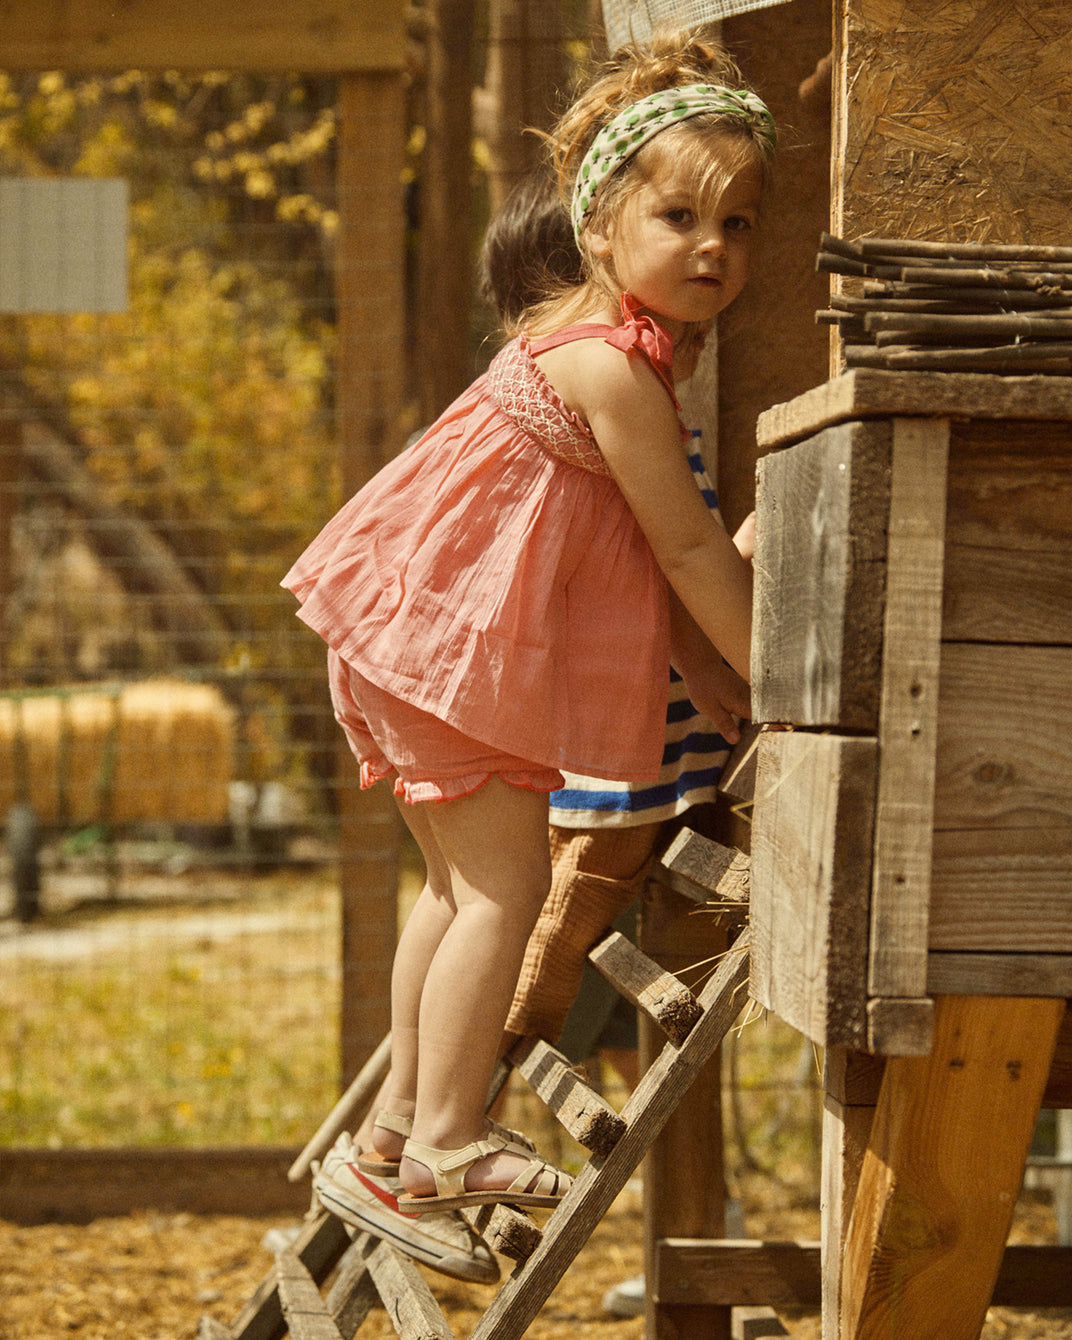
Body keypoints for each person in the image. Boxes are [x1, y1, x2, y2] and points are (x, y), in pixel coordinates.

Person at [285, 25, 774, 1246]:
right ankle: (443, 1142)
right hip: (444, 644)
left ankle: (395, 1129)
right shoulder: (609, 366)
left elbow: (637, 571)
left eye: (738, 225)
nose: (713, 247)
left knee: (457, 887)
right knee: (501, 889)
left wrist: (711, 677)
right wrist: (780, 670)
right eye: (680, 218)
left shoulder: (599, 351)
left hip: (413, 634)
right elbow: (687, 550)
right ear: (600, 228)